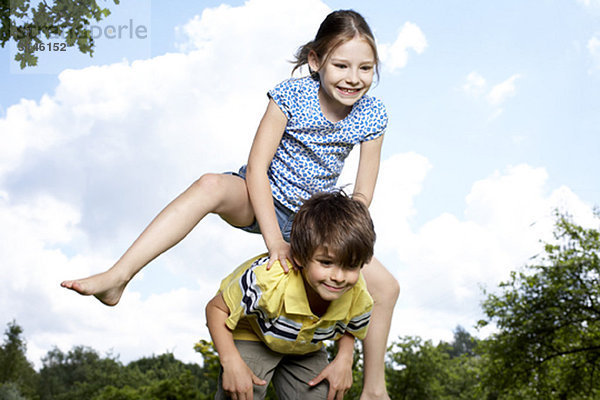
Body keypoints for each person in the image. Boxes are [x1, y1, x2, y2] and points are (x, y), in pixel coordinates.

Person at [61, 9, 399, 399]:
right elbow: (257, 168)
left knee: (387, 288)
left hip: (317, 221)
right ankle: (119, 275)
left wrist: (340, 234)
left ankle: (374, 389)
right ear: (315, 61)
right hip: (261, 197)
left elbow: (362, 194)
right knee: (209, 185)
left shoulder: (372, 113)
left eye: (366, 68)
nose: (353, 78)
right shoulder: (291, 96)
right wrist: (274, 241)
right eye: (341, 65)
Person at [207, 191, 376, 400]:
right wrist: (230, 361)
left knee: (325, 395)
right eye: (326, 262)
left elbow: (353, 326)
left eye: (351, 266)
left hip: (305, 347)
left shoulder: (357, 291)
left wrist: (344, 359)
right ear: (299, 256)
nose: (339, 277)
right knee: (241, 391)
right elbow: (216, 309)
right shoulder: (268, 280)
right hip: (255, 333)